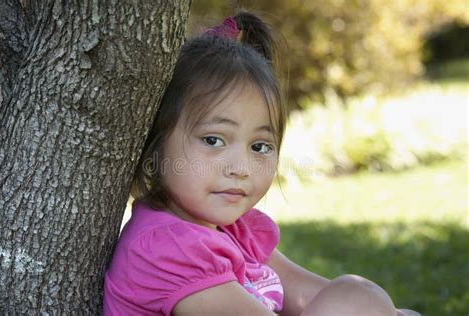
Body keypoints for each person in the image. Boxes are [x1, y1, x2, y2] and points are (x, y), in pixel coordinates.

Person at [103, 11, 419, 316]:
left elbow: (309, 295)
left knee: (359, 296)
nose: (241, 167)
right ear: (155, 147)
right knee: (356, 298)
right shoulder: (165, 249)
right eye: (213, 140)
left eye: (260, 146)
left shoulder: (235, 231)